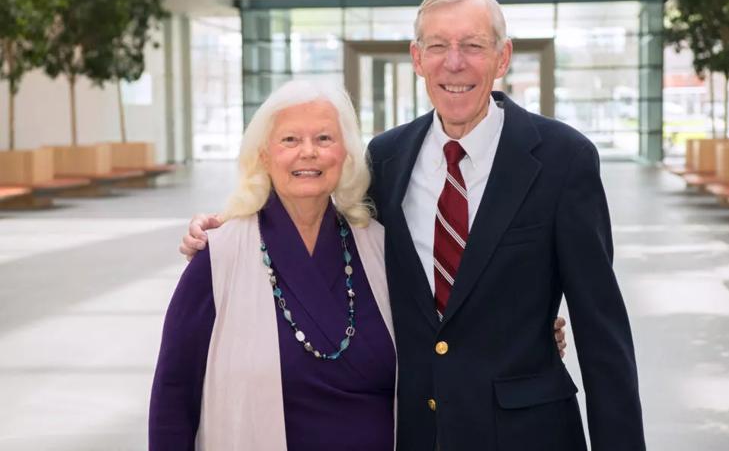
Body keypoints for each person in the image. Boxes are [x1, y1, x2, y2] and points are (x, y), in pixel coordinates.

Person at [181, 0, 643, 450]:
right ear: (417, 59)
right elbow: (324, 231)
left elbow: (602, 331)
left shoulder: (564, 159)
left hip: (530, 435)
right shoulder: (385, 159)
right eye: (438, 46)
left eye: (473, 46)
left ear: (503, 58)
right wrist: (225, 229)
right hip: (417, 433)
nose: (454, 62)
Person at [154, 79, 568, 450]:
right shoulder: (220, 257)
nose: (308, 152)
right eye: (290, 139)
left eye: (324, 137)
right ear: (263, 155)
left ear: (346, 153)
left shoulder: (379, 245)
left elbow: (445, 321)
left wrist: (528, 332)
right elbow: (174, 394)